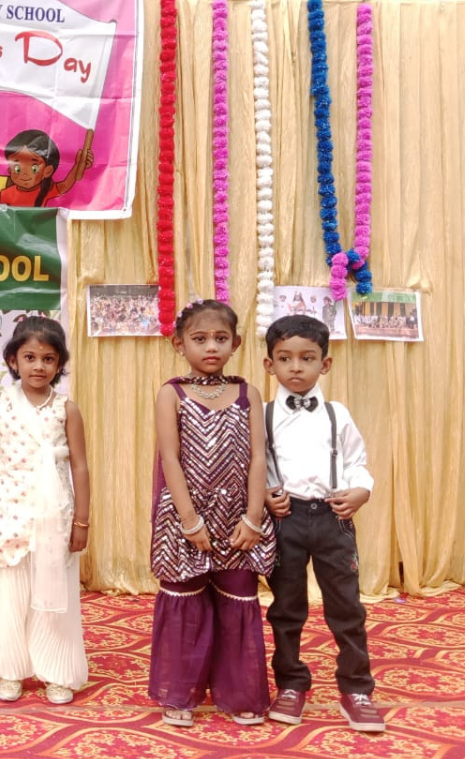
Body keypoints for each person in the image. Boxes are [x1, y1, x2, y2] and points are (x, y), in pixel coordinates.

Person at [148, 300, 275, 728]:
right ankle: (179, 694)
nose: (211, 347)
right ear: (179, 344)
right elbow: (169, 458)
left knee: (238, 597)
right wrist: (189, 520)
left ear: (235, 343)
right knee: (184, 601)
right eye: (200, 339)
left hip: (238, 518)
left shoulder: (247, 393)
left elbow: (258, 458)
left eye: (221, 339)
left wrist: (253, 518)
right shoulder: (172, 393)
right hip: (186, 518)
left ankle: (240, 694)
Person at [261, 315, 385, 732]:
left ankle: (357, 689)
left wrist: (361, 490)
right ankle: (290, 684)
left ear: (325, 364)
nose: (296, 367)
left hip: (333, 518)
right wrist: (266, 493)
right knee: (286, 608)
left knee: (346, 607)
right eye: (285, 358)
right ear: (269, 365)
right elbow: (255, 466)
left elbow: (356, 461)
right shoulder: (263, 415)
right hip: (286, 521)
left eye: (307, 358)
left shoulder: (337, 414)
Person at [0, 317, 90, 705]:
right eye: (30, 357)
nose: (38, 366)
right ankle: (10, 670)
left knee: (54, 594)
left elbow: (80, 467)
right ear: (13, 360)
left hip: (54, 517)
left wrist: (82, 520)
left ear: (59, 364)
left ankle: (56, 672)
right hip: (9, 514)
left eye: (48, 359)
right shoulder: (0, 404)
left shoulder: (67, 409)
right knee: (11, 593)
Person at [0, 130, 92, 207]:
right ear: (9, 170)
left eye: (34, 168)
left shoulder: (47, 191)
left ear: (47, 171)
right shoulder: (4, 195)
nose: (25, 174)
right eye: (17, 168)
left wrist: (78, 164)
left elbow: (66, 185)